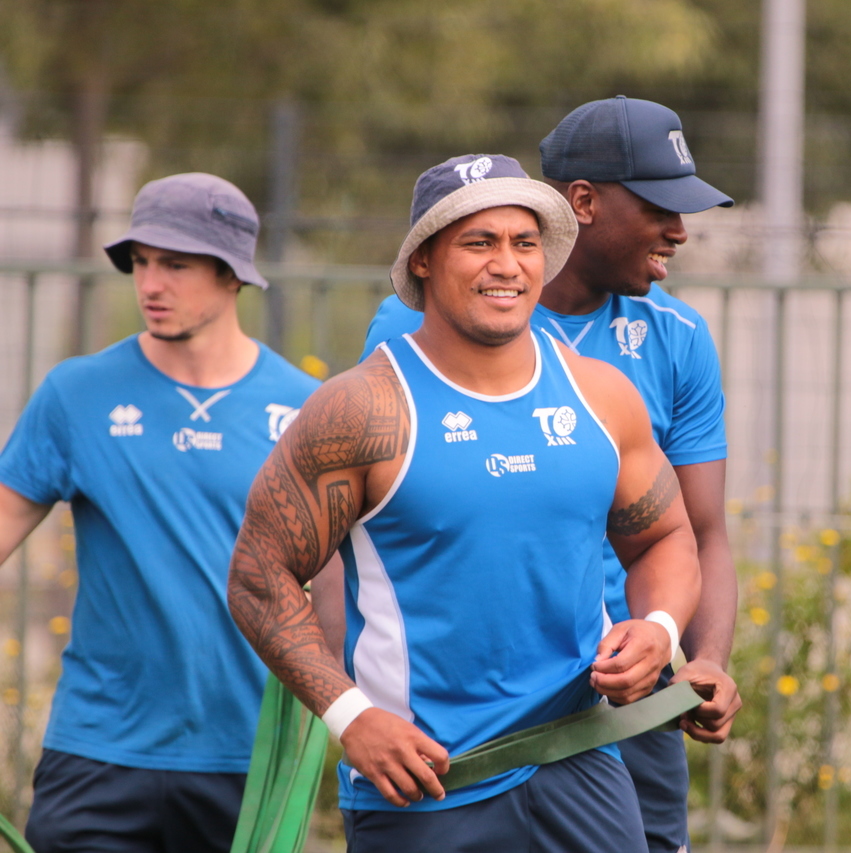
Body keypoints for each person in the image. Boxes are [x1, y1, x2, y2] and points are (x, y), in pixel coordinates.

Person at [227, 154, 702, 852]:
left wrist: (659, 627)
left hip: (583, 761)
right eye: (479, 242)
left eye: (524, 242)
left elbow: (665, 538)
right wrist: (350, 716)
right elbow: (258, 575)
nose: (506, 265)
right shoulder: (360, 411)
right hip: (427, 785)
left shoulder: (601, 395)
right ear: (423, 259)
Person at [358, 96, 740, 853]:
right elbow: (356, 528)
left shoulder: (677, 336)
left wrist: (702, 659)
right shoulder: (413, 327)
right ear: (585, 202)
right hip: (468, 716)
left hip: (630, 698)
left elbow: (700, 533)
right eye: (658, 205)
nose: (679, 229)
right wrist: (352, 707)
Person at [0, 173, 320, 852]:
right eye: (141, 262)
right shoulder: (76, 393)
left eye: (175, 264)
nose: (150, 283)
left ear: (231, 273)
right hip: (98, 748)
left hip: (249, 757)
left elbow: (358, 581)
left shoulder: (305, 409)